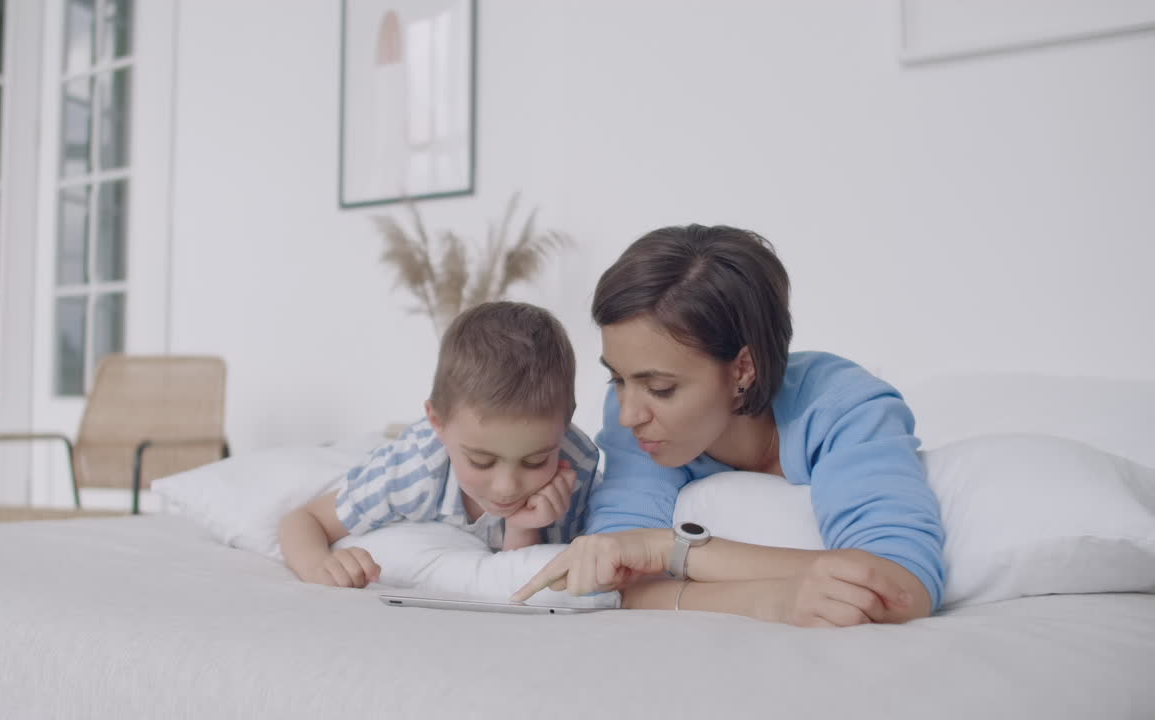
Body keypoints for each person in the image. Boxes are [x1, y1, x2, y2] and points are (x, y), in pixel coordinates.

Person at [512, 225, 945, 627]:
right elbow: (616, 582)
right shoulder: (638, 423)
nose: (628, 414)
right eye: (617, 378)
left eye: (660, 387)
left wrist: (667, 548)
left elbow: (902, 587)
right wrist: (772, 601)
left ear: (743, 368)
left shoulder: (844, 407)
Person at [280, 301, 600, 588]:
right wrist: (319, 565)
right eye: (481, 461)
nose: (506, 487)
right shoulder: (415, 466)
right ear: (437, 422)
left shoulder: (577, 462)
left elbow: (520, 581)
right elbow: (304, 519)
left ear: (566, 423)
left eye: (533, 462)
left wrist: (523, 527)